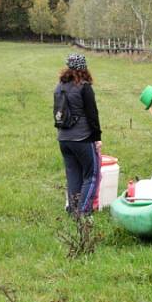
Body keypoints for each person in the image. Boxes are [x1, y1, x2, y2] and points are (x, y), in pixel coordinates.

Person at [56, 53, 102, 215]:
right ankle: (83, 212)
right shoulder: (84, 86)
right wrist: (97, 138)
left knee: (73, 176)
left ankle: (73, 210)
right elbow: (92, 115)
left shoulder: (60, 86)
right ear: (84, 68)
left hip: (63, 139)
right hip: (82, 138)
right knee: (92, 175)